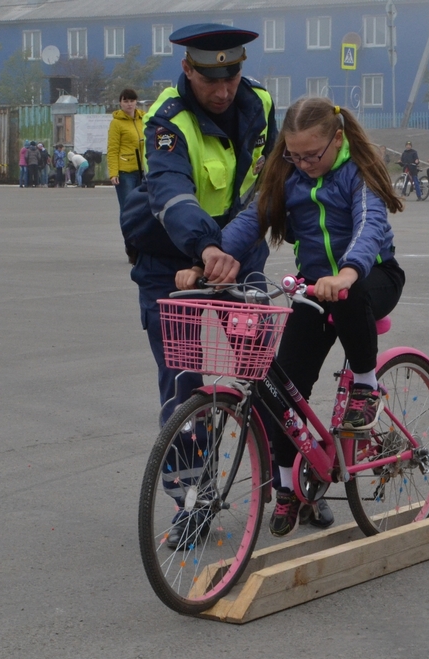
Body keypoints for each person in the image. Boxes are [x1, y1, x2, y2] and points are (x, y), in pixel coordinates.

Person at [180, 97, 405, 537]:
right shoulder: (289, 175)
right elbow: (252, 220)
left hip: (370, 277)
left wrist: (346, 272)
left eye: (311, 155)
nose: (302, 164)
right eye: (293, 154)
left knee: (349, 296)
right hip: (316, 289)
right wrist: (211, 258)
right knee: (281, 391)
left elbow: (368, 227)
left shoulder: (356, 174)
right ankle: (286, 489)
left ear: (336, 140)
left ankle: (366, 385)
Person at [117, 24, 281, 546]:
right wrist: (206, 250)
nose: (223, 89)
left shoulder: (259, 103)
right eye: (211, 77)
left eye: (231, 75)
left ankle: (291, 482)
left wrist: (230, 248)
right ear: (188, 70)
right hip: (172, 260)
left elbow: (270, 180)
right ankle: (193, 500)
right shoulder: (166, 118)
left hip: (236, 253)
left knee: (265, 366)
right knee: (183, 383)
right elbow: (170, 192)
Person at [107, 88, 146, 209]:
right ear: (120, 103)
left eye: (132, 100)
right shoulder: (116, 123)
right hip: (125, 173)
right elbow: (112, 149)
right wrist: (113, 173)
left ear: (136, 102)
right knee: (128, 207)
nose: (129, 104)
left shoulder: (144, 119)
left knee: (142, 207)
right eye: (126, 101)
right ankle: (128, 228)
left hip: (142, 171)